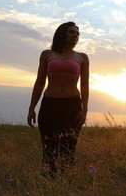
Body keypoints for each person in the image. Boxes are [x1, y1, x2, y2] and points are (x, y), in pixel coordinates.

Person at [27, 22, 89, 177]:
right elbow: (40, 82)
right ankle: (49, 184)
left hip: (72, 106)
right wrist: (31, 108)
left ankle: (66, 187)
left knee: (68, 149)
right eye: (72, 32)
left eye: (77, 33)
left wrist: (84, 109)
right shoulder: (47, 55)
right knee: (49, 149)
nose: (76, 35)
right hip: (49, 105)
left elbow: (85, 85)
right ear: (62, 33)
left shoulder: (82, 57)